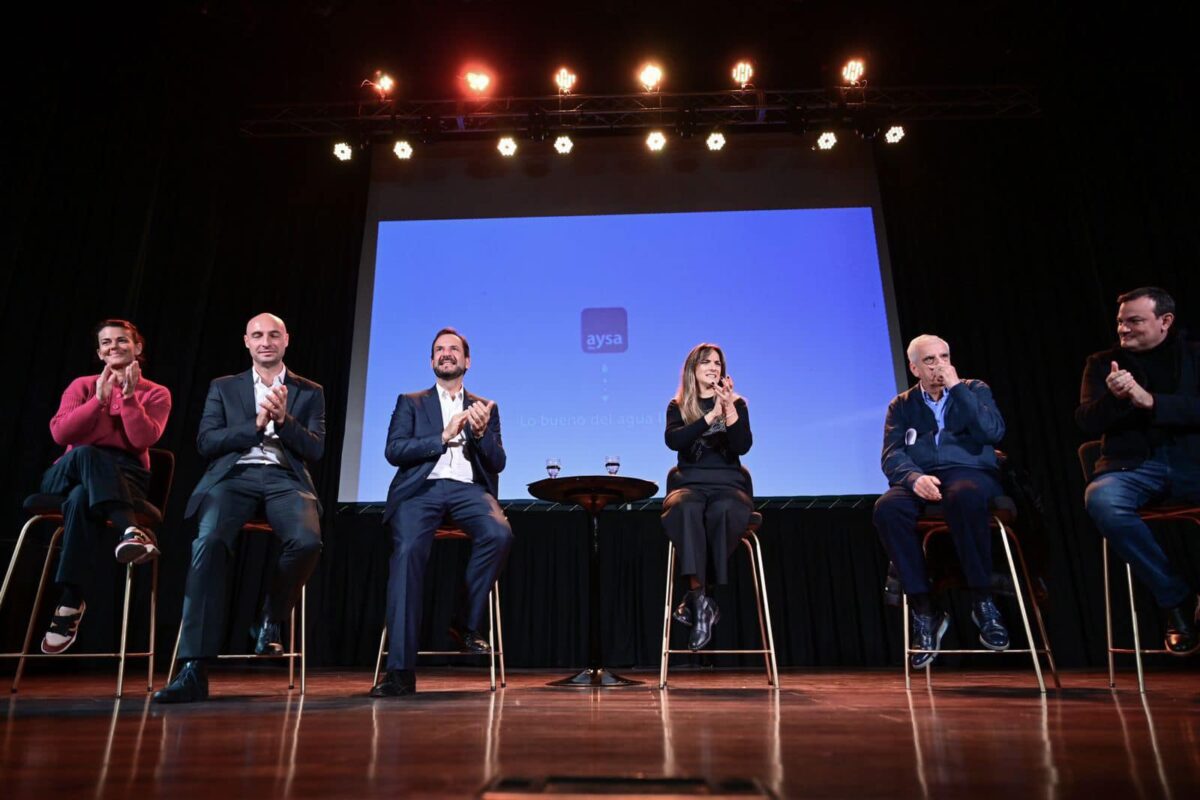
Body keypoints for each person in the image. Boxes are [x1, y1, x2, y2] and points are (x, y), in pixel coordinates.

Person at [154, 313, 324, 703]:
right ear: (247, 342)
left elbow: (315, 448)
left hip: (285, 478)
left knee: (307, 542)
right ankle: (193, 668)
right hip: (233, 477)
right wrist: (256, 424)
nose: (266, 341)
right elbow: (207, 442)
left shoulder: (309, 390)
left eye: (274, 335)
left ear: (286, 340)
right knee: (209, 542)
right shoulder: (224, 387)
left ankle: (270, 618)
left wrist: (283, 420)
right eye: (257, 335)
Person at [371, 328, 513, 698]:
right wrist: (442, 436)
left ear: (467, 361)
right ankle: (400, 671)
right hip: (422, 490)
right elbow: (394, 450)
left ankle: (463, 622)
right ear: (432, 360)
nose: (446, 354)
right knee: (406, 554)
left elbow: (497, 463)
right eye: (439, 349)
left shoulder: (485, 407)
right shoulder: (411, 402)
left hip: (469, 490)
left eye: (453, 349)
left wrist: (480, 435)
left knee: (499, 534)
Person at [873, 334, 1010, 668]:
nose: (939, 366)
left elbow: (992, 432)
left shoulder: (974, 390)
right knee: (887, 508)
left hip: (969, 473)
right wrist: (913, 478)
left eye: (944, 357)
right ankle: (924, 608)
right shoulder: (901, 405)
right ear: (914, 368)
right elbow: (891, 455)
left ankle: (982, 600)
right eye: (930, 360)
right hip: (922, 476)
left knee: (964, 495)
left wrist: (957, 389)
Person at [1077, 286, 1200, 655]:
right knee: (1102, 499)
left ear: (1165, 321)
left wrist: (1152, 402)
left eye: (1134, 321)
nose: (1123, 329)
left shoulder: (1194, 355)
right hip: (1134, 467)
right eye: (1120, 322)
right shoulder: (1103, 363)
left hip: (1192, 464)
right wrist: (1115, 399)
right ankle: (1175, 599)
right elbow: (1086, 421)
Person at [37, 319, 171, 654]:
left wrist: (129, 398)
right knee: (87, 454)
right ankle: (131, 530)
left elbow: (142, 439)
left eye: (122, 340)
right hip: (68, 471)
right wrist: (97, 401)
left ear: (137, 347)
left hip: (126, 476)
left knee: (82, 498)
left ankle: (70, 601)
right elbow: (61, 435)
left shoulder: (156, 392)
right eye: (106, 343)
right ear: (99, 353)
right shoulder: (82, 385)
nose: (114, 347)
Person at [661, 343, 753, 651]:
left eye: (717, 363)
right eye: (706, 362)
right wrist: (710, 415)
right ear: (693, 369)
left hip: (729, 484)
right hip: (689, 483)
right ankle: (703, 603)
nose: (713, 367)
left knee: (723, 510)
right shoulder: (678, 406)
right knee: (685, 509)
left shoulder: (737, 404)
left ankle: (696, 598)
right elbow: (674, 441)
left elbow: (742, 446)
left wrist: (728, 410)